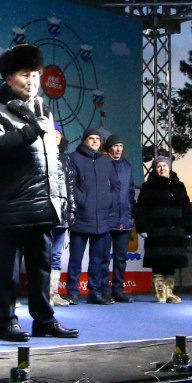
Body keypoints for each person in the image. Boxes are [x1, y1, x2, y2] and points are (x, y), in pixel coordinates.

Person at [0, 45, 78, 342]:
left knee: (41, 268)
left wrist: (58, 199)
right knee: (6, 271)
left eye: (36, 74)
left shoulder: (43, 108)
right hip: (10, 204)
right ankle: (5, 322)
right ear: (8, 78)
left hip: (42, 204)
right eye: (24, 74)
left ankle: (44, 320)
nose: (32, 81)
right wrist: (31, 130)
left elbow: (48, 161)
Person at [63, 127, 120, 304]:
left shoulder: (106, 160)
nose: (95, 141)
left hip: (101, 218)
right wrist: (82, 200)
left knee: (97, 259)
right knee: (76, 258)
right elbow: (70, 183)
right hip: (81, 216)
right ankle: (72, 292)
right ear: (85, 140)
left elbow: (116, 185)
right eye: (91, 138)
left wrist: (109, 200)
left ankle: (94, 292)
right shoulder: (74, 158)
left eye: (97, 138)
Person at [135, 155, 191, 302]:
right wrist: (142, 227)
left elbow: (186, 209)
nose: (162, 168)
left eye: (164, 166)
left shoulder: (179, 186)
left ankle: (169, 292)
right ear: (155, 169)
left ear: (169, 168)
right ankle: (160, 293)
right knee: (158, 260)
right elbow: (141, 209)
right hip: (156, 230)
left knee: (171, 261)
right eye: (159, 166)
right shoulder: (148, 186)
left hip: (175, 230)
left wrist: (188, 228)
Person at [105, 136, 135, 302]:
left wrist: (131, 213)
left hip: (123, 218)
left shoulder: (127, 166)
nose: (118, 149)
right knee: (103, 258)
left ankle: (118, 290)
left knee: (120, 258)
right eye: (115, 145)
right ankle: (103, 290)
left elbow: (130, 192)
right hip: (106, 218)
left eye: (121, 146)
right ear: (109, 147)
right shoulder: (102, 164)